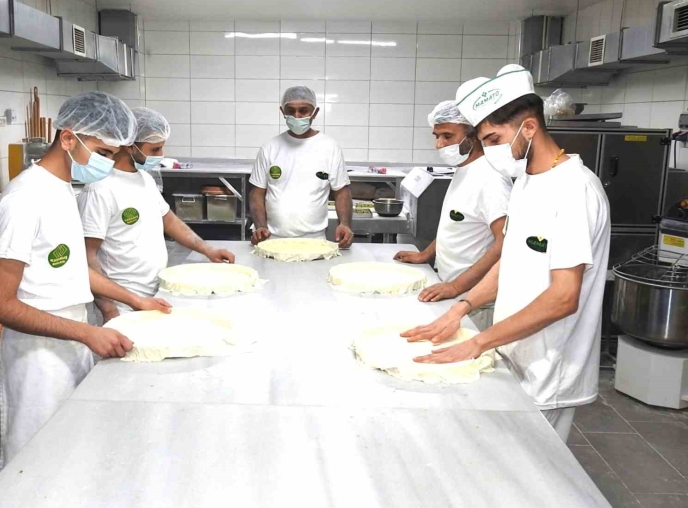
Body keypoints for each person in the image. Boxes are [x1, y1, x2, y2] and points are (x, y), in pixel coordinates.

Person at [402, 65, 610, 442]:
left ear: (529, 127)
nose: (491, 150)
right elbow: (510, 260)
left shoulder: (574, 189)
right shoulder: (528, 181)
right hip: (512, 351)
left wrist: (479, 341)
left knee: (532, 481)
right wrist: (462, 307)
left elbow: (564, 298)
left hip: (550, 368)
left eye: (495, 138)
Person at [0, 91, 172, 467]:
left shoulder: (63, 189)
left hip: (72, 335)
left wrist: (135, 302)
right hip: (37, 355)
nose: (108, 163)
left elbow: (75, 269)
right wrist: (89, 333)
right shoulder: (24, 199)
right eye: (102, 153)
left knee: (68, 450)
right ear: (68, 138)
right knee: (34, 459)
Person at [78, 107, 235, 323]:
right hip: (124, 305)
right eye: (155, 149)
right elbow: (87, 256)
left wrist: (208, 250)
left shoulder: (144, 179)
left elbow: (169, 220)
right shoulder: (100, 188)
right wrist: (109, 309)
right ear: (129, 146)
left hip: (156, 293)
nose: (161, 156)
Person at [393, 101, 511, 330]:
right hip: (450, 288)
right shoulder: (464, 170)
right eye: (436, 136)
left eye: (447, 136)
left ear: (474, 133)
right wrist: (426, 254)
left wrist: (457, 286)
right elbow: (455, 226)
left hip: (474, 299)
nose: (439, 144)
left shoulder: (492, 179)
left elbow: (505, 243)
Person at [249, 86, 353, 247]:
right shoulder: (269, 148)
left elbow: (341, 192)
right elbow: (257, 193)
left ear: (315, 112)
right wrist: (260, 226)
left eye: (303, 110)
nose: (296, 116)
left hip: (315, 241)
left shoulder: (329, 147)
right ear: (282, 111)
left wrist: (345, 223)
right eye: (290, 110)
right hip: (272, 240)